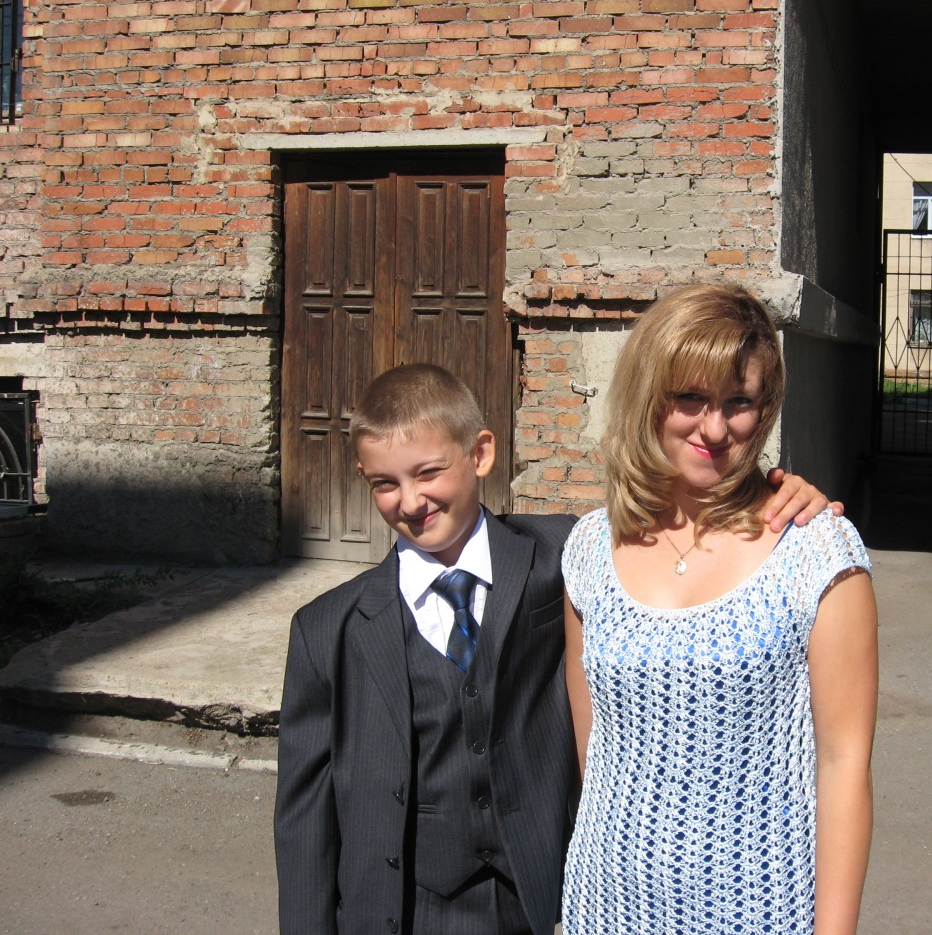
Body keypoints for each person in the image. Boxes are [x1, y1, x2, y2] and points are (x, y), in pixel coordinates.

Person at [274, 362, 841, 935]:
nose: (412, 500)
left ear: (480, 454)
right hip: (406, 911)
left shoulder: (566, 553)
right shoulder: (326, 632)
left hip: (539, 902)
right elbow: (304, 826)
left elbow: (678, 530)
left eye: (429, 473)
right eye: (385, 484)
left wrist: (780, 492)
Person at [561, 284, 879, 935]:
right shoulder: (591, 548)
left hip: (758, 909)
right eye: (690, 398)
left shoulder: (816, 552)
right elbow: (596, 754)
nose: (713, 428)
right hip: (607, 905)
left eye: (739, 402)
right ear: (649, 394)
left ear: (765, 409)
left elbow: (845, 767)